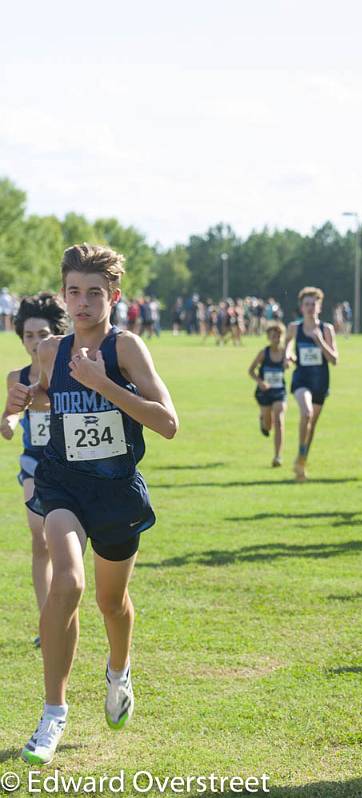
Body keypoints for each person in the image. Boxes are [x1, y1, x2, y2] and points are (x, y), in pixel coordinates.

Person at [8, 244, 179, 765]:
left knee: (111, 603)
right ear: (64, 294)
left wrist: (105, 384)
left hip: (115, 492)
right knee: (68, 581)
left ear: (114, 297)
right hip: (61, 484)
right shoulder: (50, 350)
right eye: (74, 292)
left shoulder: (126, 348)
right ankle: (53, 712)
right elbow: (45, 395)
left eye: (94, 293)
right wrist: (22, 402)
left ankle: (119, 670)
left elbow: (168, 422)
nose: (83, 303)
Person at [1, 293, 69, 647]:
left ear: (55, 333)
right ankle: (48, 620)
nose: (35, 342)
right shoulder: (17, 376)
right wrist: (9, 422)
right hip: (35, 465)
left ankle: (65, 607)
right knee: (39, 536)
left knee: (65, 544)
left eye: (43, 334)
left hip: (70, 466)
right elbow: (10, 411)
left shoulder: (69, 372)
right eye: (29, 335)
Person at [286, 287, 338, 482]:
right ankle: (300, 453)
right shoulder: (294, 327)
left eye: (313, 304)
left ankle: (302, 460)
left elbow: (334, 359)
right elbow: (288, 346)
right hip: (302, 379)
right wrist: (288, 356)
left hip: (320, 381)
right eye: (306, 304)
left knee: (312, 425)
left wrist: (320, 341)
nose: (310, 307)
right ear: (301, 307)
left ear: (320, 306)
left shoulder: (327, 329)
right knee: (306, 413)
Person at [247, 321, 288, 467]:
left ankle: (278, 456)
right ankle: (263, 420)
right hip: (264, 393)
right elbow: (250, 371)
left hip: (279, 392)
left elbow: (293, 360)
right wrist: (260, 382)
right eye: (273, 336)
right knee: (268, 426)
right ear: (268, 337)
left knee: (279, 420)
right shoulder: (263, 353)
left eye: (278, 336)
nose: (276, 339)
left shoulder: (285, 353)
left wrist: (291, 361)